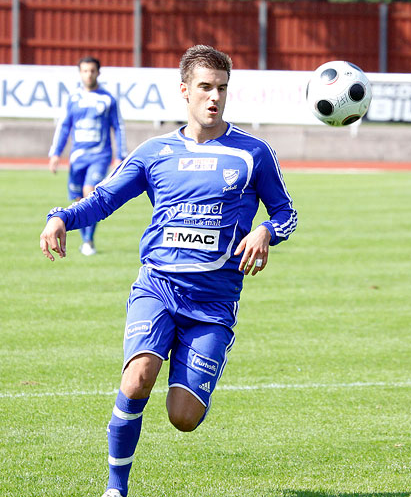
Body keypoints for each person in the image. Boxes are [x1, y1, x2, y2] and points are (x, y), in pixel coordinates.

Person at [40, 45, 297, 497]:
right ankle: (115, 489)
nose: (214, 97)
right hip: (157, 286)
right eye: (205, 87)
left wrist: (264, 232)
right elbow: (104, 199)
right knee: (137, 378)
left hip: (214, 302)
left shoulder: (253, 152)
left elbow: (286, 214)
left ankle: (197, 362)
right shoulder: (155, 151)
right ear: (185, 91)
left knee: (184, 418)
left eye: (221, 88)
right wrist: (61, 216)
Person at [48, 55, 127, 256]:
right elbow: (64, 126)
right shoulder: (74, 99)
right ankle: (85, 239)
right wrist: (55, 153)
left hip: (100, 155)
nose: (89, 74)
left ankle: (88, 241)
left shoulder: (108, 99)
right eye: (85, 71)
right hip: (77, 158)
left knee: (89, 191)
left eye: (92, 71)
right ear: (80, 73)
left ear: (98, 73)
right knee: (77, 201)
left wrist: (121, 155)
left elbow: (118, 127)